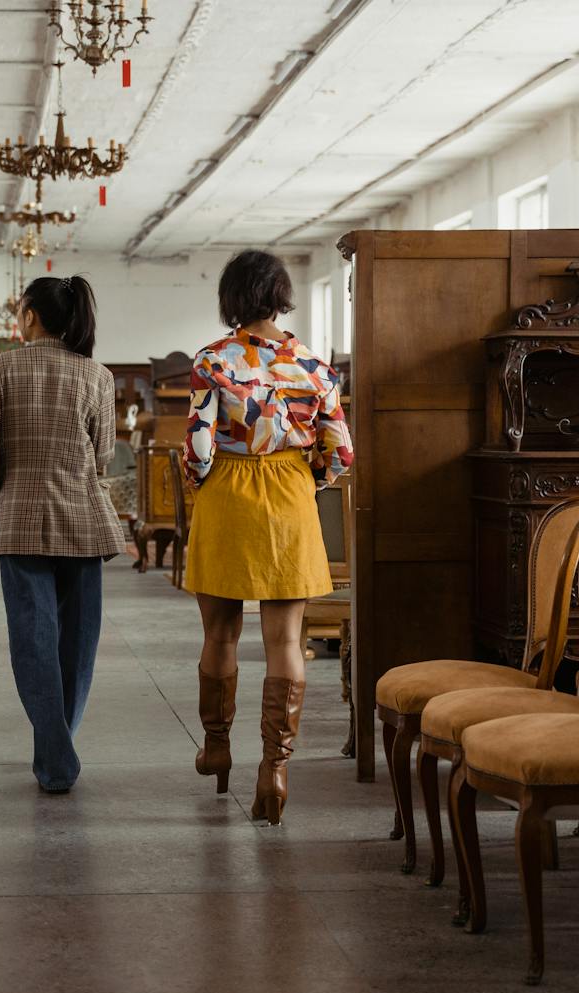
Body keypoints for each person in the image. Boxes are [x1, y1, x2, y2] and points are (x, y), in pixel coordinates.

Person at [182, 249, 353, 825]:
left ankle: (217, 746)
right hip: (289, 496)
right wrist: (306, 480)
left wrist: (202, 480)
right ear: (280, 294)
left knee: (221, 635)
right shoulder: (315, 365)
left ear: (231, 298)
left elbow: (199, 448)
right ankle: (275, 769)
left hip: (229, 495)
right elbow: (341, 452)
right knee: (285, 642)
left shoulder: (212, 360)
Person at [0, 275, 123, 794]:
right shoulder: (97, 376)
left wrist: (3, 488)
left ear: (30, 316)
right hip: (85, 522)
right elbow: (102, 456)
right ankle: (58, 748)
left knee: (33, 643)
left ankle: (55, 754)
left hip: (22, 522)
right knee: (78, 644)